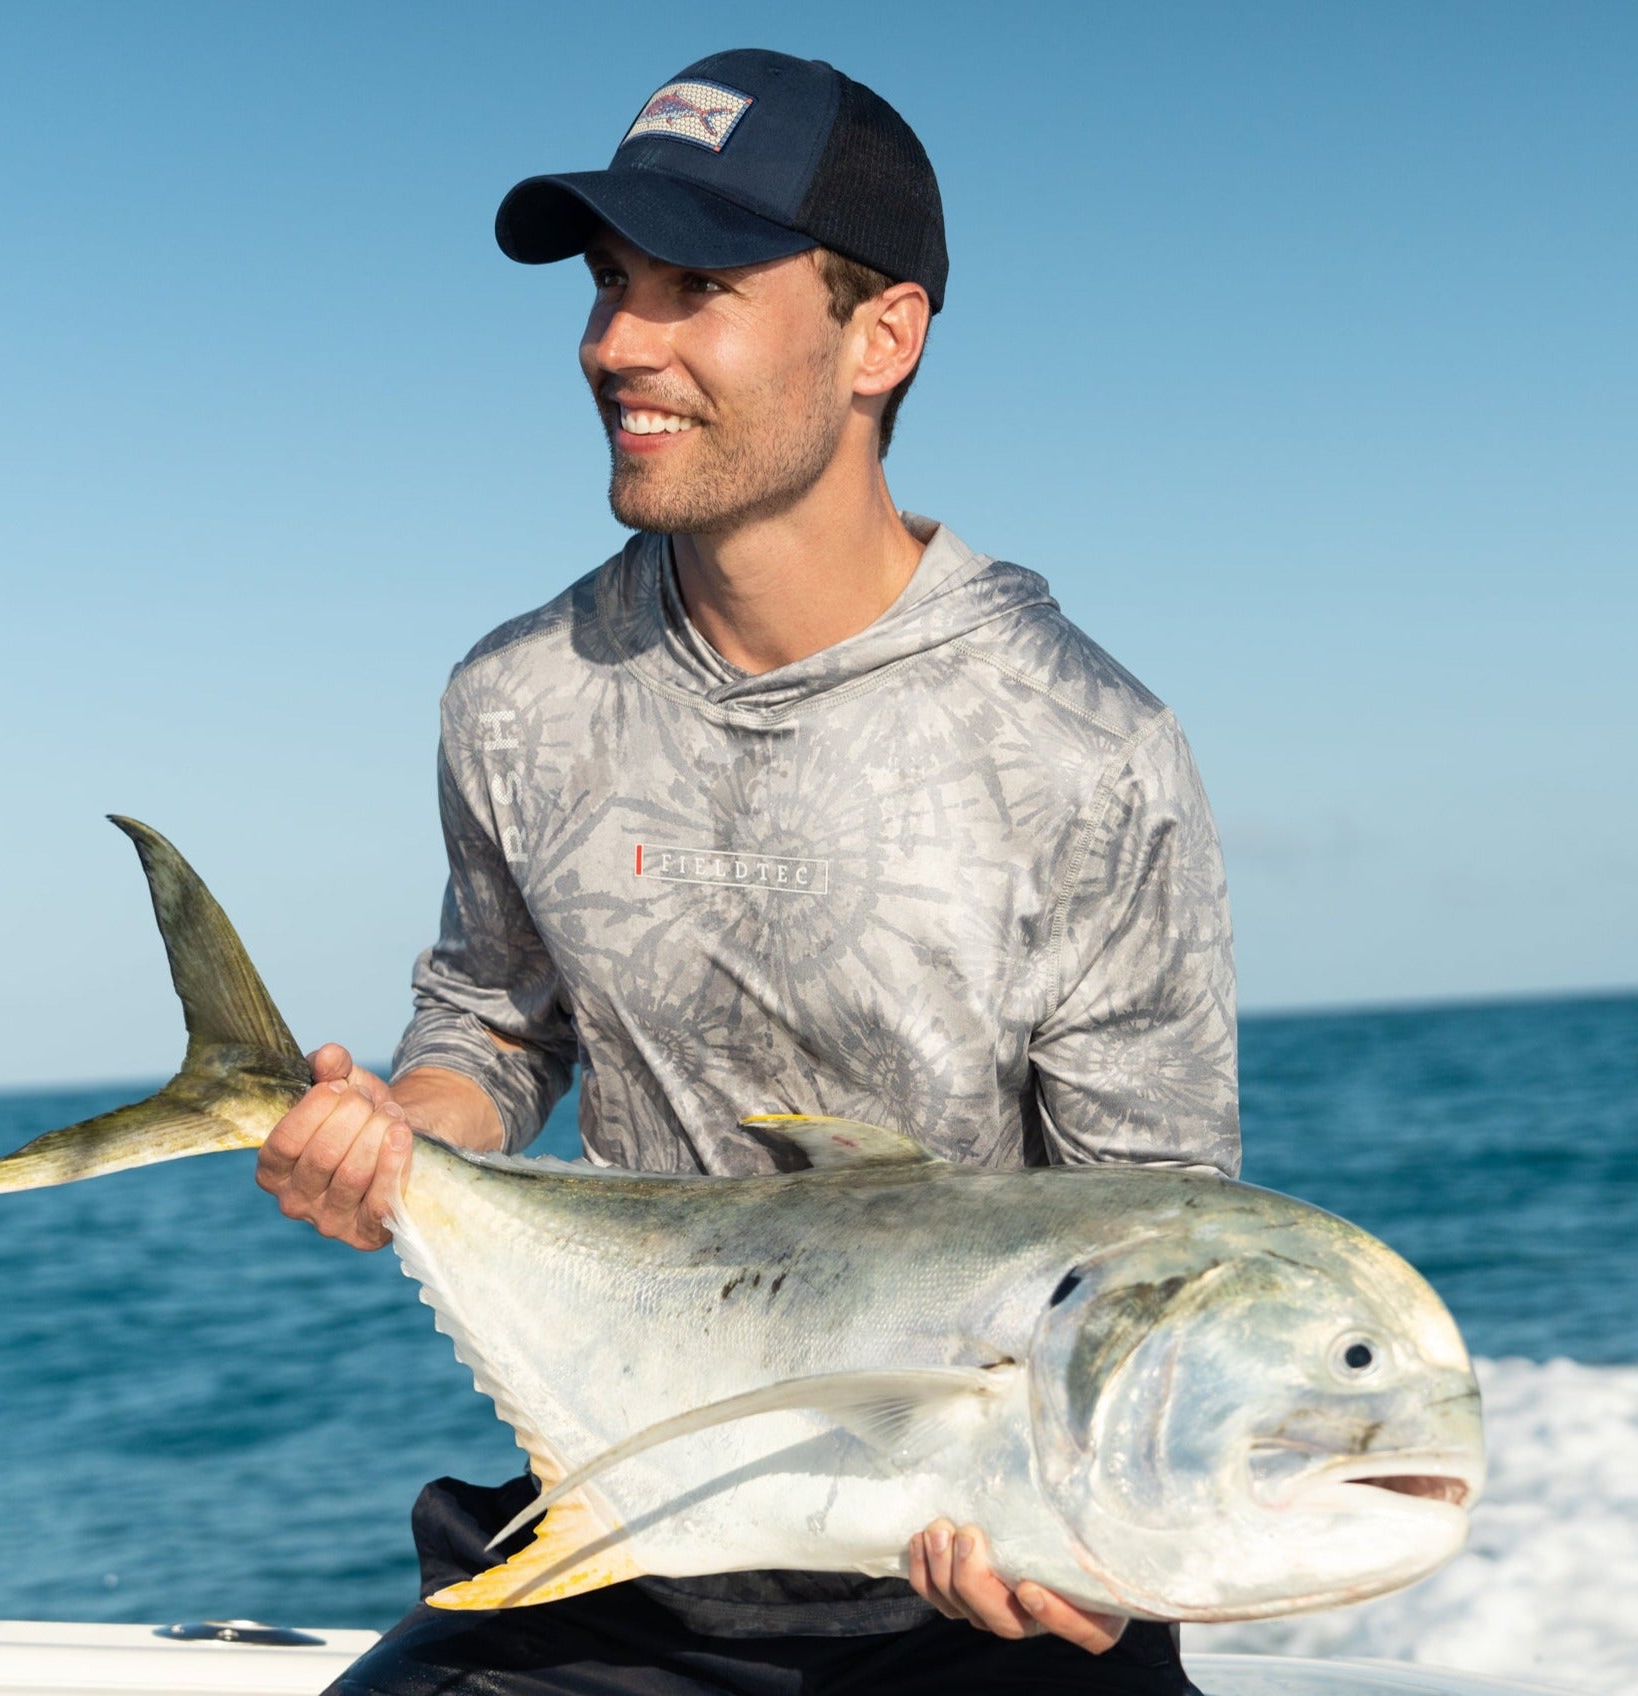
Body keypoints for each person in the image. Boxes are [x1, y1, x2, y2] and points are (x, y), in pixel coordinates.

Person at [258, 48, 1238, 1696]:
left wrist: (1088, 1548)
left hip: (977, 1580)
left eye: (697, 287)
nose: (616, 343)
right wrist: (398, 1131)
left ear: (882, 338)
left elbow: (1158, 1238)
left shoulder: (1090, 746)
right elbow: (497, 1025)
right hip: (629, 1541)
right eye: (609, 281)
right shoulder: (518, 696)